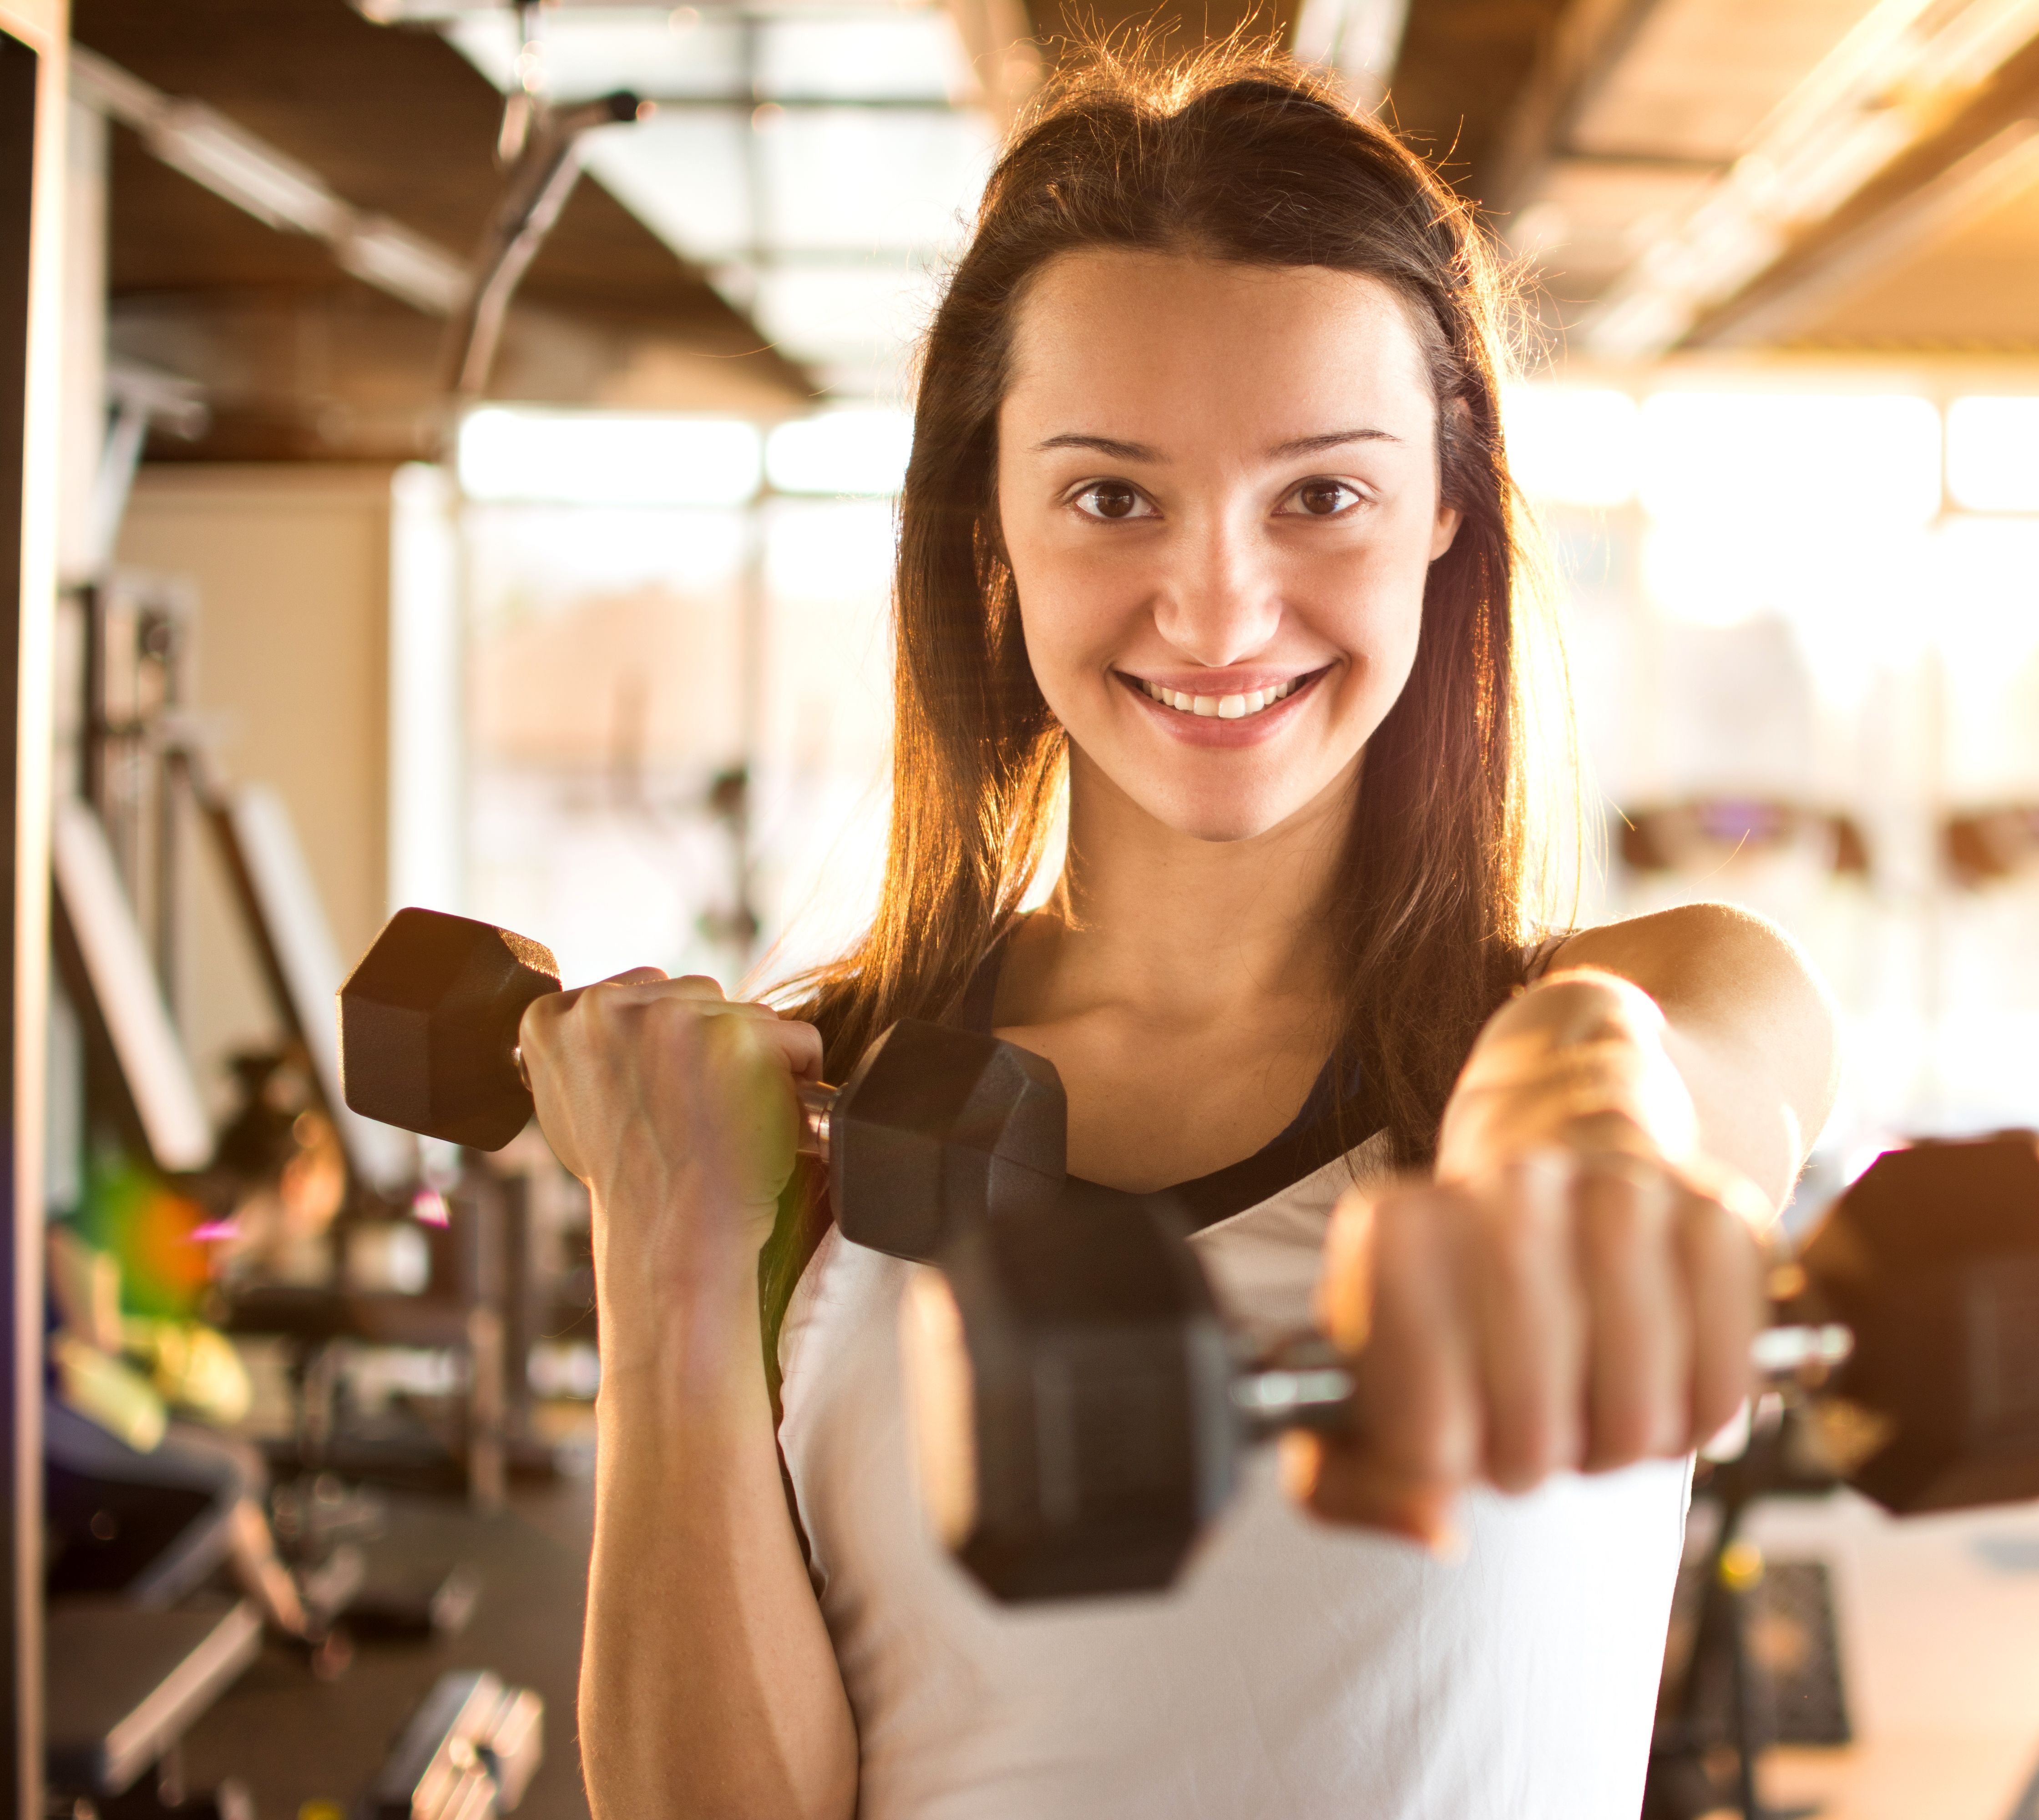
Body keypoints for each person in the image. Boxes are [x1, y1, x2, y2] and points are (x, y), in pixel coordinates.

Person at [525, 40, 1835, 1820]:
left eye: (1321, 493)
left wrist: (1571, 1119)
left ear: (1444, 509)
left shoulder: (1645, 1008)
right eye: (1113, 495)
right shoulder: (798, 1118)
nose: (1217, 605)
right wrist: (666, 1263)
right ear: (991, 514)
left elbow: (1662, 1069)